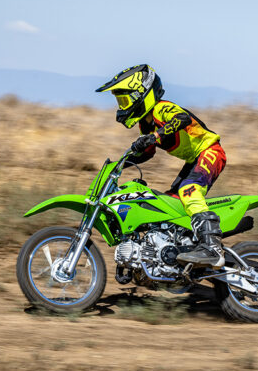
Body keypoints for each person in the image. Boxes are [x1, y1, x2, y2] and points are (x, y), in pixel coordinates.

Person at [96, 64, 227, 268]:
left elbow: (182, 118)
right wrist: (121, 164)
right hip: (193, 160)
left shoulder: (161, 108)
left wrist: (154, 136)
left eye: (125, 100)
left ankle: (212, 248)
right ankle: (179, 251)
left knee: (189, 191)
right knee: (170, 204)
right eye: (120, 102)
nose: (122, 106)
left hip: (210, 151)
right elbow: (148, 153)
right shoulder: (146, 124)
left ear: (142, 95)